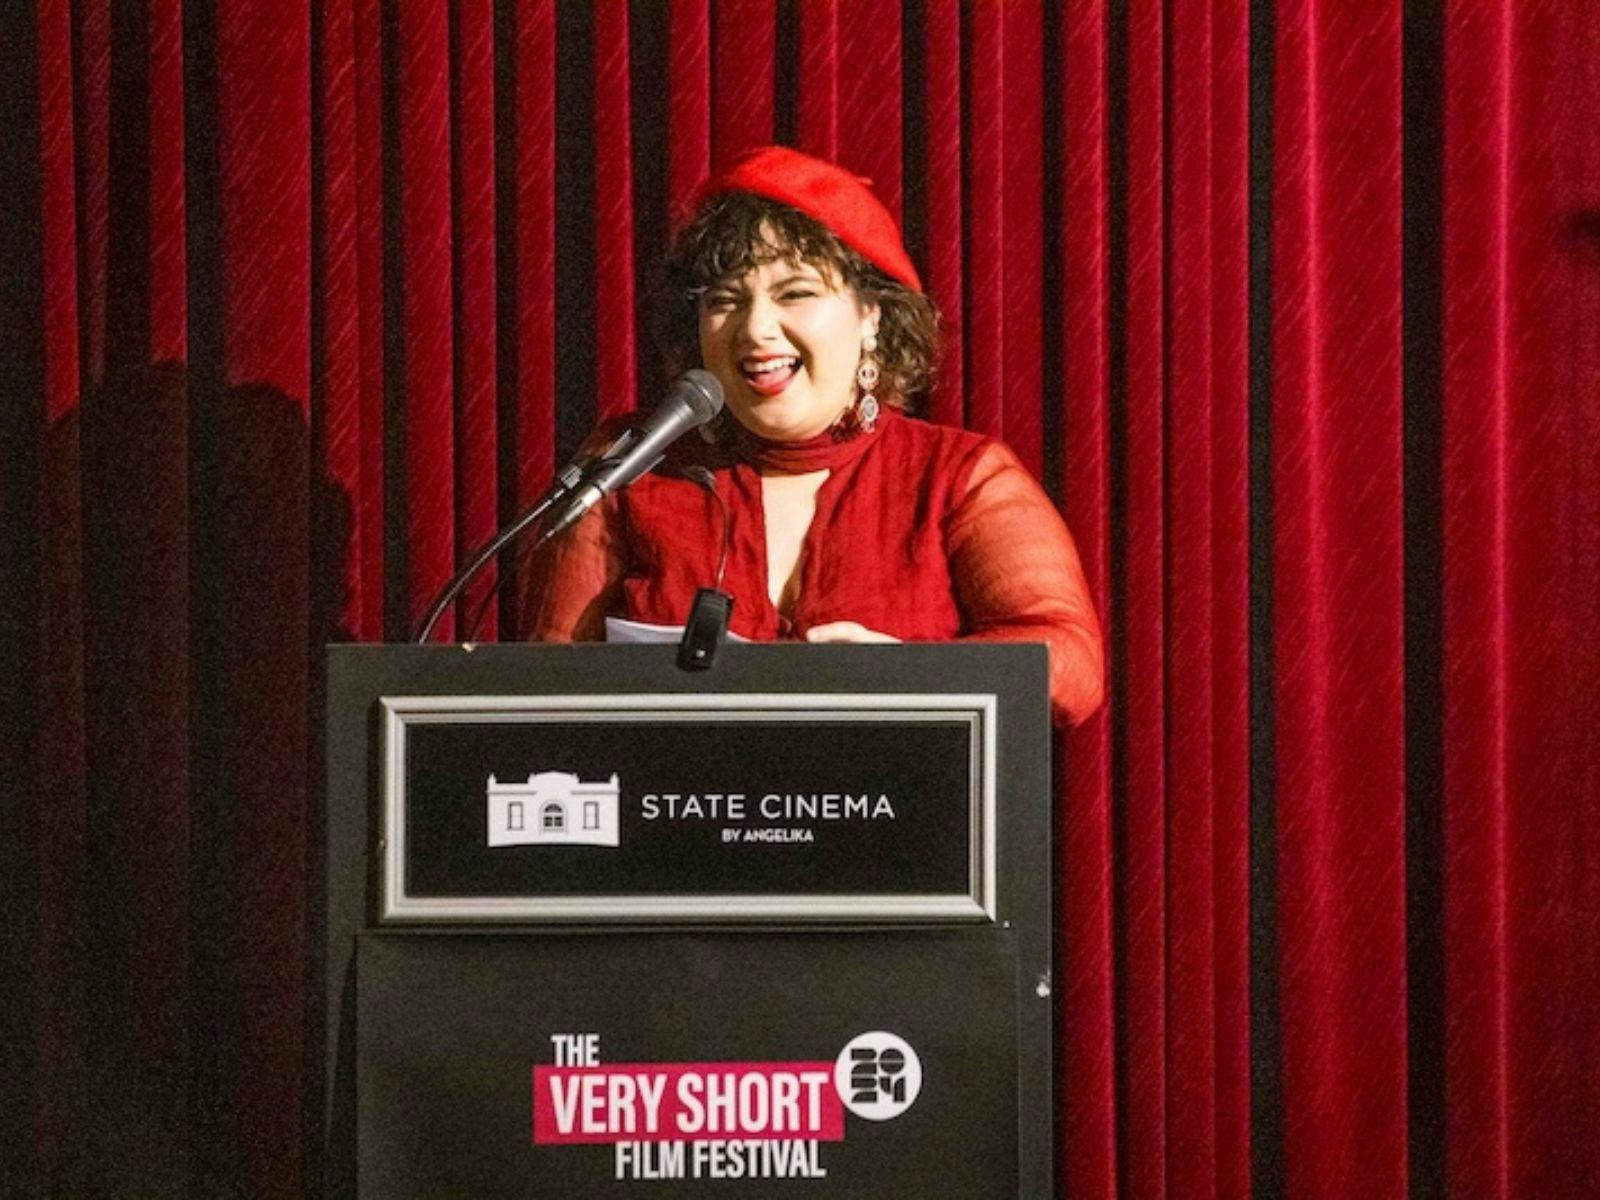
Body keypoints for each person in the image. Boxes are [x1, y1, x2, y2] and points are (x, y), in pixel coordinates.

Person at [522, 146, 1103, 725]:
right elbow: (542, 687)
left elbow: (1072, 667)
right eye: (724, 301)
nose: (755, 329)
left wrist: (912, 676)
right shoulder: (631, 466)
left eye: (795, 293)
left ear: (871, 315)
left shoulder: (959, 476)